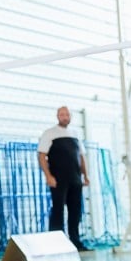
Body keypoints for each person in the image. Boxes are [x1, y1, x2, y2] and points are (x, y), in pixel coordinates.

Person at [38, 106, 91, 251]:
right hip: (58, 178)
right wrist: (48, 176)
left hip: (75, 178)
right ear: (57, 116)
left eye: (67, 114)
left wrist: (85, 176)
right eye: (62, 114)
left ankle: (75, 240)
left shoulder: (75, 134)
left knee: (75, 210)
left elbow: (81, 156)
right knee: (58, 210)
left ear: (70, 117)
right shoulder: (49, 133)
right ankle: (57, 243)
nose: (65, 117)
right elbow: (42, 155)